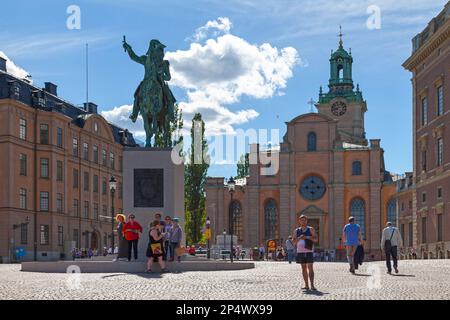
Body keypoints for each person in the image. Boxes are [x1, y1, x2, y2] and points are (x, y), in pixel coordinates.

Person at [294, 215, 318, 291]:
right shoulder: (296, 230)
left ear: (307, 221)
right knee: (303, 268)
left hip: (309, 251)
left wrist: (307, 237)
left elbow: (316, 239)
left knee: (310, 267)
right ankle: (306, 285)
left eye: (304, 220)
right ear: (299, 221)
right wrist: (299, 238)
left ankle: (312, 285)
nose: (303, 222)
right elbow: (294, 242)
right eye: (301, 220)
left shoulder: (310, 229)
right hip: (300, 252)